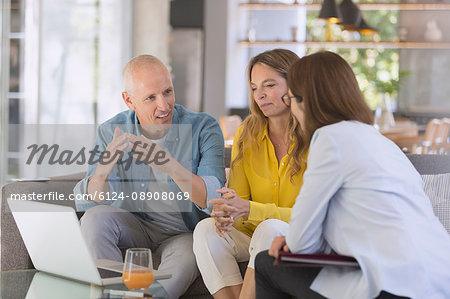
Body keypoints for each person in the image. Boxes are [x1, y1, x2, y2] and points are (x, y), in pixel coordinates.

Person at [255, 51, 450, 299]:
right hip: (440, 280)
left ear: (306, 102)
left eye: (291, 98)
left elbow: (302, 242)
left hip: (395, 286)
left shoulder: (329, 138)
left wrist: (289, 241)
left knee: (266, 263)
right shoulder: (383, 143)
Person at [73, 55, 226, 299]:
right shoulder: (111, 131)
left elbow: (212, 199)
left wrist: (169, 165)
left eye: (167, 92)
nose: (164, 105)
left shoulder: (204, 128)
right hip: (135, 227)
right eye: (151, 98)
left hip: (183, 234)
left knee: (190, 254)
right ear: (129, 100)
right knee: (94, 218)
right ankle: (112, 295)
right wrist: (103, 168)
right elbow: (89, 202)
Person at [193, 49, 306, 299]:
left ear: (295, 85)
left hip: (300, 237)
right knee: (206, 230)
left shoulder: (315, 136)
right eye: (255, 87)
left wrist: (249, 209)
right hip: (256, 236)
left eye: (270, 85)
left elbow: (310, 217)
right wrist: (229, 212)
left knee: (270, 228)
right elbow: (240, 205)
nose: (260, 95)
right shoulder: (247, 132)